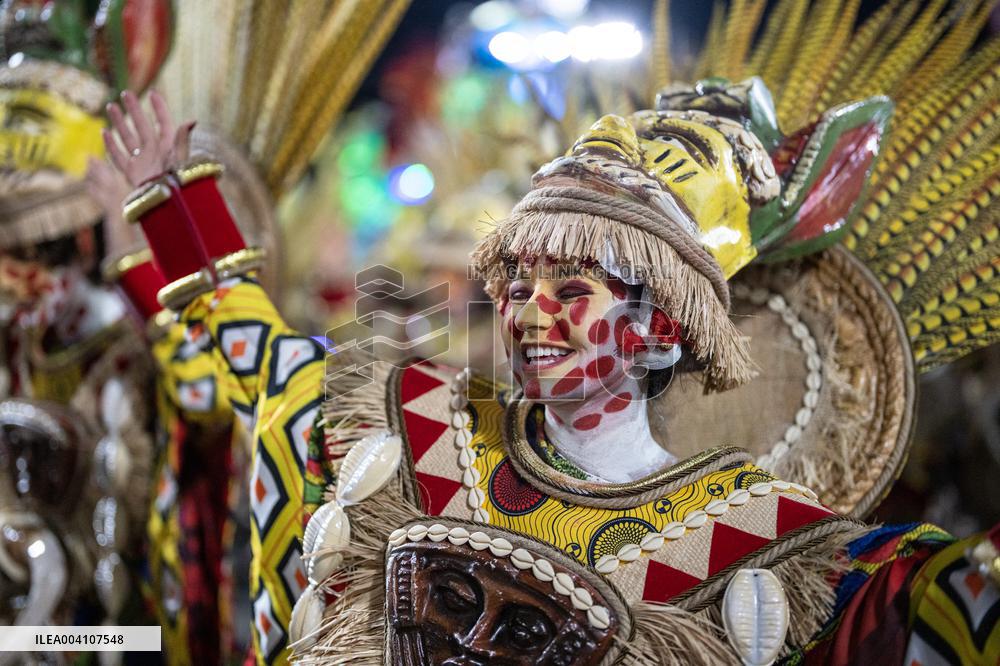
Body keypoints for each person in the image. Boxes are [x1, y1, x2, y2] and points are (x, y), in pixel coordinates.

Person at [104, 70, 1000, 666]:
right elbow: (276, 367)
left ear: (660, 333)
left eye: (573, 287)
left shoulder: (771, 547)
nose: (533, 312)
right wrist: (177, 211)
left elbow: (945, 605)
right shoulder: (419, 433)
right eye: (520, 282)